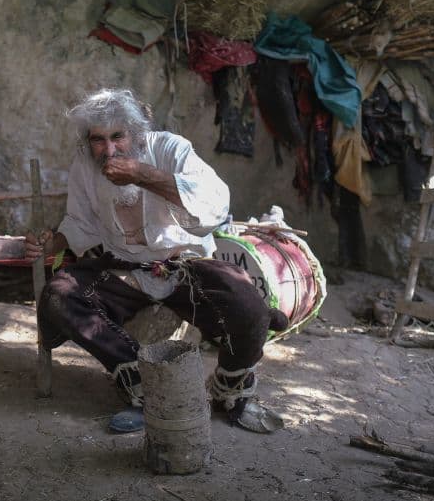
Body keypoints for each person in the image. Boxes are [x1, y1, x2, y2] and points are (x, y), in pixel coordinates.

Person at [25, 88, 288, 434]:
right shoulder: (85, 165)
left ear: (137, 133)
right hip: (123, 268)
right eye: (98, 140)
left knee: (249, 305)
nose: (109, 150)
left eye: (117, 136)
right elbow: (80, 223)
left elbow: (215, 203)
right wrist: (52, 243)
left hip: (184, 266)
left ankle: (231, 389)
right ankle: (146, 387)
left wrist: (141, 174)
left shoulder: (171, 149)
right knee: (59, 296)